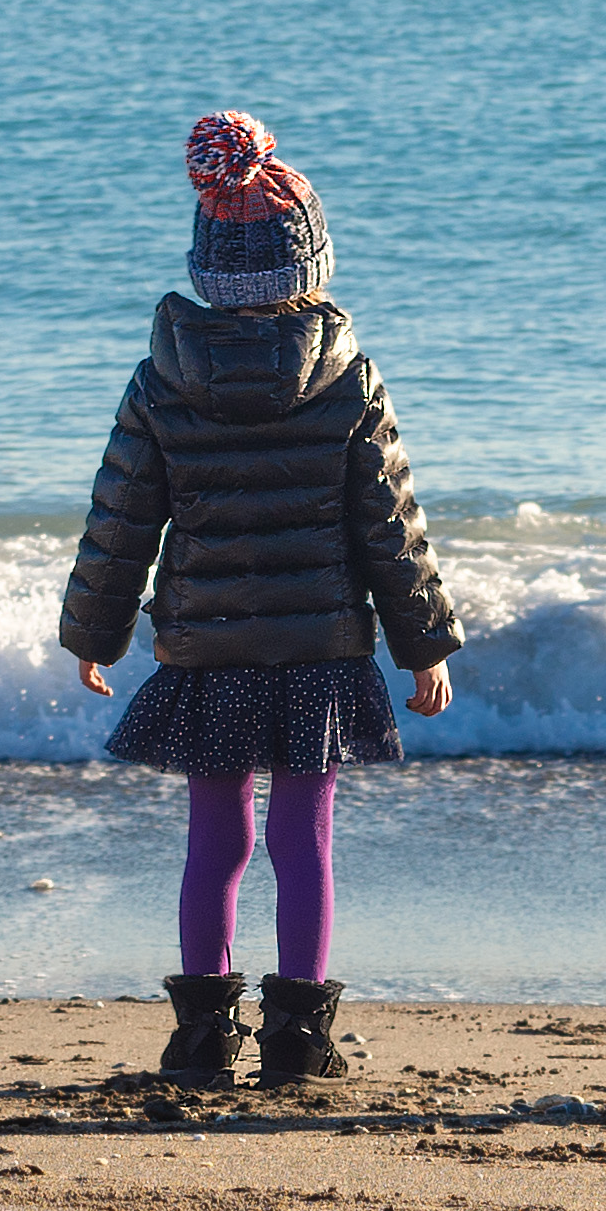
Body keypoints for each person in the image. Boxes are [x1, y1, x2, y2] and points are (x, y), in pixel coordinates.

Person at [56, 110, 466, 1086]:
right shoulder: (345, 380)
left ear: (208, 265)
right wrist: (424, 645)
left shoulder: (163, 379)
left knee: (219, 839)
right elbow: (389, 525)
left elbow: (122, 520)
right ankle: (301, 1039)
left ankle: (202, 1037)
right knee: (303, 839)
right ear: (309, 265)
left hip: (209, 648)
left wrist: (96, 631)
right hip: (320, 652)